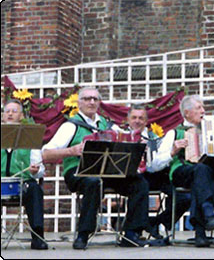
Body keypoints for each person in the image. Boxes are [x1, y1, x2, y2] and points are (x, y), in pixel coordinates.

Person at [42, 87, 150, 249]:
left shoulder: (107, 125)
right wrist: (72, 150)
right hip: (78, 172)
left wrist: (137, 145)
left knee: (139, 183)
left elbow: (125, 142)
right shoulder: (70, 126)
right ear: (79, 102)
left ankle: (131, 233)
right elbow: (46, 154)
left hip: (107, 171)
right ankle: (83, 234)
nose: (91, 102)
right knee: (93, 182)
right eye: (86, 99)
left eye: (95, 99)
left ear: (99, 103)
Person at [156, 94, 214, 247]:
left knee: (204, 173)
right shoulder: (175, 132)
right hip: (180, 172)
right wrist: (172, 151)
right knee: (201, 172)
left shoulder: (209, 131)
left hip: (200, 174)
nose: (203, 111)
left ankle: (200, 232)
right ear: (187, 113)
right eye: (199, 108)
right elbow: (157, 162)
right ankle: (207, 214)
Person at [120, 105, 192, 240]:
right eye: (134, 118)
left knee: (185, 197)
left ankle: (157, 222)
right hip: (129, 177)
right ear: (128, 120)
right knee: (139, 186)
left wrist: (150, 154)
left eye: (141, 118)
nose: (137, 121)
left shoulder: (154, 138)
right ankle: (134, 231)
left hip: (154, 174)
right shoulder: (121, 136)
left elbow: (156, 166)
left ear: (146, 121)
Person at [1, 100, 48, 250]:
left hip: (22, 184)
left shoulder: (30, 138)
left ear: (21, 116)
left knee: (35, 189)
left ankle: (38, 236)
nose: (10, 114)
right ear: (2, 115)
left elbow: (40, 169)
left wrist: (36, 171)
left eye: (14, 111)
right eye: (7, 111)